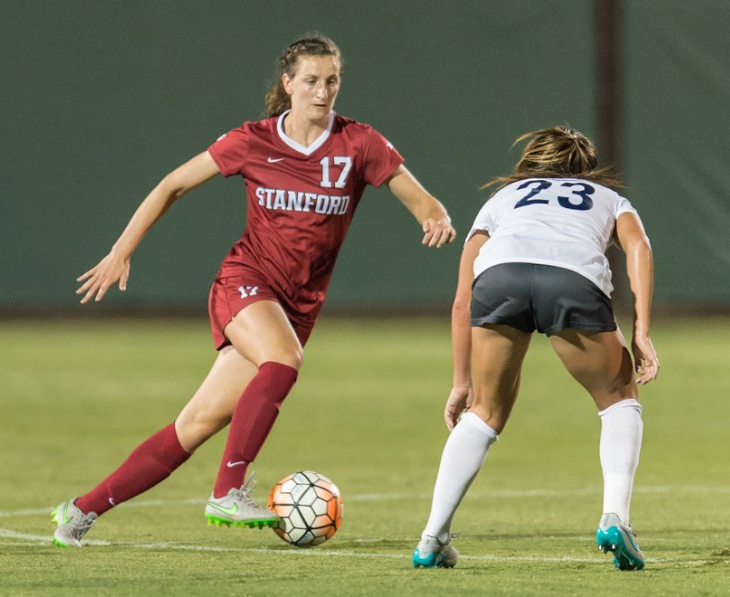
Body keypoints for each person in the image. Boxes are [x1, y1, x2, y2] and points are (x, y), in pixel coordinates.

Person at [52, 34, 456, 548]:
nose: (322, 91)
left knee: (194, 426)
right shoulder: (253, 140)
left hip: (296, 308)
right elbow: (172, 184)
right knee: (284, 361)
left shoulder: (359, 143)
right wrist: (121, 249)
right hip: (245, 282)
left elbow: (418, 196)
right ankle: (229, 490)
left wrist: (434, 215)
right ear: (287, 84)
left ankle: (79, 511)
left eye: (331, 81)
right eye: (310, 80)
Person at [412, 126, 659, 571]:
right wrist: (641, 329)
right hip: (571, 280)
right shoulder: (607, 197)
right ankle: (614, 518)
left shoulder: (502, 200)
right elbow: (638, 245)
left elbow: (462, 300)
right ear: (585, 168)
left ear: (531, 163)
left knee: (484, 413)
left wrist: (460, 382)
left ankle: (432, 537)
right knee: (619, 398)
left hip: (500, 277)